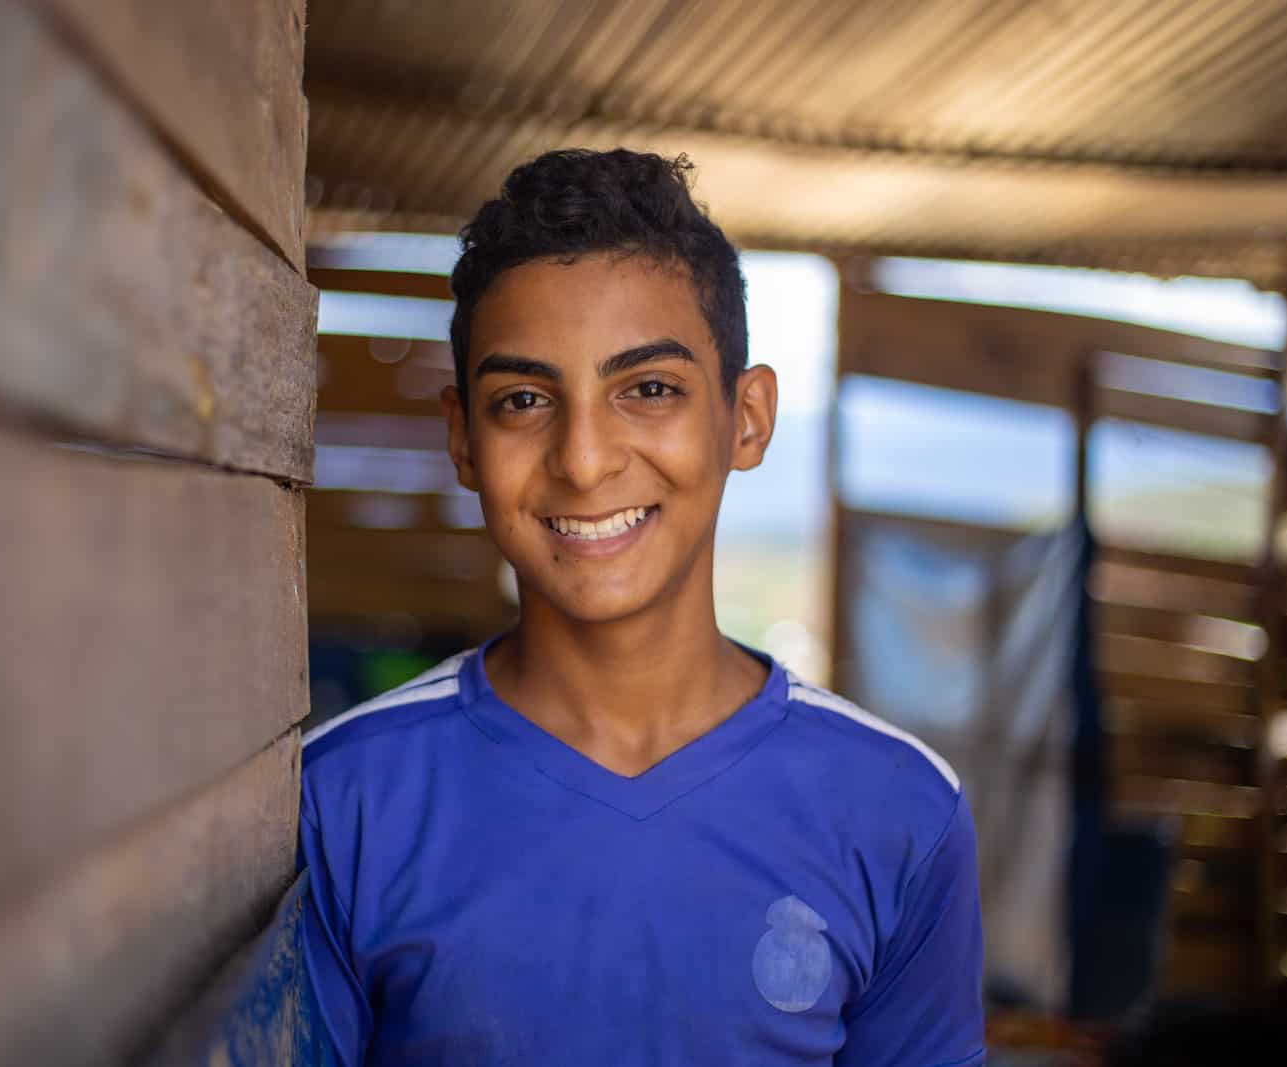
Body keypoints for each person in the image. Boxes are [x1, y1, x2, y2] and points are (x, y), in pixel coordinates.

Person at [296, 148, 985, 1066]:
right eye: (524, 399)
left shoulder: (899, 810)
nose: (583, 459)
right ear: (462, 439)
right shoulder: (347, 798)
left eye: (649, 389)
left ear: (747, 417)